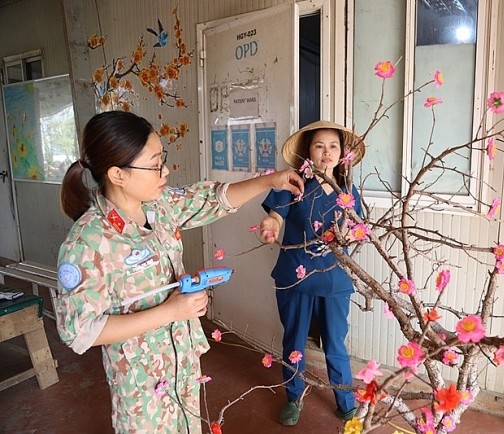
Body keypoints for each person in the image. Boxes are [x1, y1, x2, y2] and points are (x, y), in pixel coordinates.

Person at [55, 110, 303, 433]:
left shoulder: (159, 207)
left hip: (183, 366)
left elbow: (212, 199)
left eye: (163, 158)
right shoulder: (89, 242)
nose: (165, 171)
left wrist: (271, 181)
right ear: (117, 174)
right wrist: (171, 311)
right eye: (155, 163)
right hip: (141, 387)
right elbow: (80, 331)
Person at [259, 120, 365, 426]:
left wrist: (351, 233)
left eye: (333, 146)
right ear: (309, 152)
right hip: (295, 277)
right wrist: (270, 225)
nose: (327, 153)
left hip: (334, 280)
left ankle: (346, 401)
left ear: (342, 153)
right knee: (294, 341)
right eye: (319, 146)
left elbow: (357, 231)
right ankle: (293, 399)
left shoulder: (348, 191)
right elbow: (276, 215)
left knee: (335, 343)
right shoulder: (294, 184)